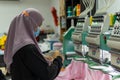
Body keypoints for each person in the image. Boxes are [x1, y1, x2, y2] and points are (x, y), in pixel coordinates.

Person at [4, 8, 63, 80]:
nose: (38, 29)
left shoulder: (16, 44)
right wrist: (58, 59)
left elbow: (28, 63)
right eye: (37, 26)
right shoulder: (28, 47)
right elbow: (48, 74)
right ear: (30, 24)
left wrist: (40, 58)